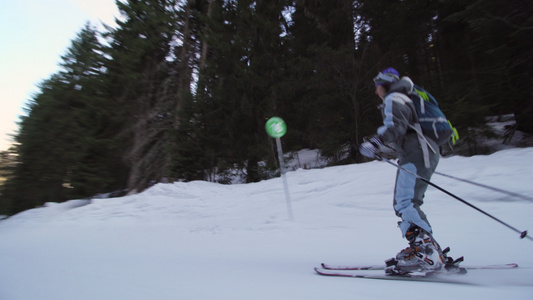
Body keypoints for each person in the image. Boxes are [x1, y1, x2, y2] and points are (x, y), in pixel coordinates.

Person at [359, 67, 446, 273]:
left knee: (405, 202)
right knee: (408, 202)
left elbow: (396, 126)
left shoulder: (394, 97)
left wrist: (375, 142)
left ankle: (424, 252)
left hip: (416, 155)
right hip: (421, 153)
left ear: (385, 85)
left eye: (377, 87)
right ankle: (428, 250)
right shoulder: (404, 95)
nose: (376, 91)